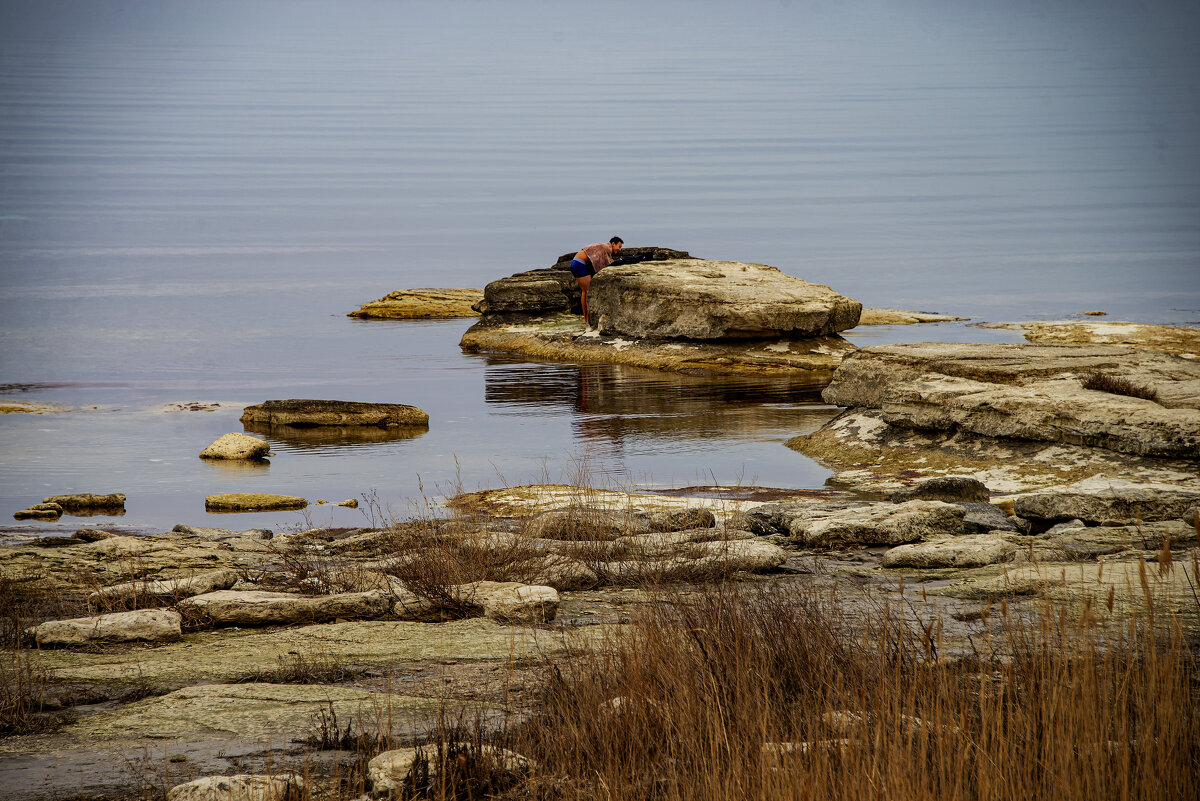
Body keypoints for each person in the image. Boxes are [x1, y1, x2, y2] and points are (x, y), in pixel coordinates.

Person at [569, 236, 623, 324]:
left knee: (584, 291)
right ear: (613, 244)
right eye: (619, 246)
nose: (620, 249)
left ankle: (585, 319)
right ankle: (588, 319)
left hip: (575, 262)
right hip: (580, 264)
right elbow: (606, 263)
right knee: (588, 291)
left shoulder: (602, 246)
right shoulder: (607, 248)